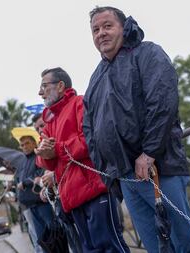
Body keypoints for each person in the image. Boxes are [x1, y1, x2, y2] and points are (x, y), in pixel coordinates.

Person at [83, 6, 190, 253]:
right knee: (156, 248)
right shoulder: (96, 77)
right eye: (95, 30)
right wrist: (108, 173)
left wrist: (149, 152)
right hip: (125, 178)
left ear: (123, 26)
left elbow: (163, 102)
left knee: (184, 244)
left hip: (159, 168)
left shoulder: (147, 53)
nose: (101, 34)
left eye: (108, 26)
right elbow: (90, 129)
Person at [35, 67, 130, 253]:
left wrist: (57, 149)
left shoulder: (80, 103)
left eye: (44, 86)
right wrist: (44, 154)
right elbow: (47, 161)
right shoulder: (49, 121)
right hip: (71, 198)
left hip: (96, 190)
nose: (40, 92)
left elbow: (90, 140)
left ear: (60, 86)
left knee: (110, 247)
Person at [32, 113, 83, 253]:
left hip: (79, 197)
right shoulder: (42, 147)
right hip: (61, 202)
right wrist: (46, 186)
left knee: (87, 243)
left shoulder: (60, 136)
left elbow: (75, 161)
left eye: (42, 125)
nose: (40, 130)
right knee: (74, 244)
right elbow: (49, 170)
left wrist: (54, 176)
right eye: (37, 129)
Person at [14, 134, 54, 253]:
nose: (24, 146)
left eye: (27, 143)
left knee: (53, 235)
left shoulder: (38, 156)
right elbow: (19, 178)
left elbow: (40, 172)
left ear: (34, 143)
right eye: (22, 145)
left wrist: (25, 182)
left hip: (42, 203)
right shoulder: (23, 162)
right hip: (31, 206)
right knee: (42, 239)